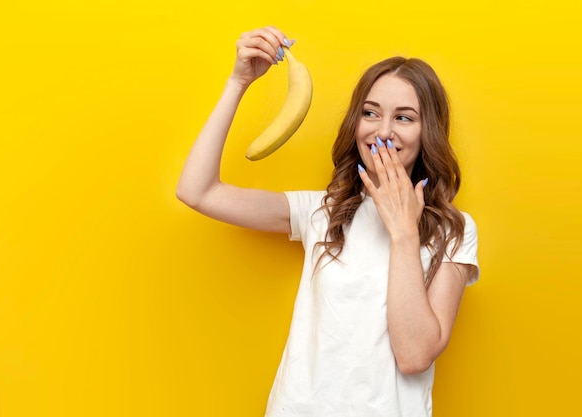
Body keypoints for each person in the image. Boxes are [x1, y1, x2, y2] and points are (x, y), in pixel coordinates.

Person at [176, 26, 480, 417]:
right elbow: (197, 191)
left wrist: (405, 232)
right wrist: (239, 81)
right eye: (370, 113)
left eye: (404, 118)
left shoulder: (454, 230)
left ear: (428, 133)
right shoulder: (324, 211)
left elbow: (415, 355)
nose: (382, 131)